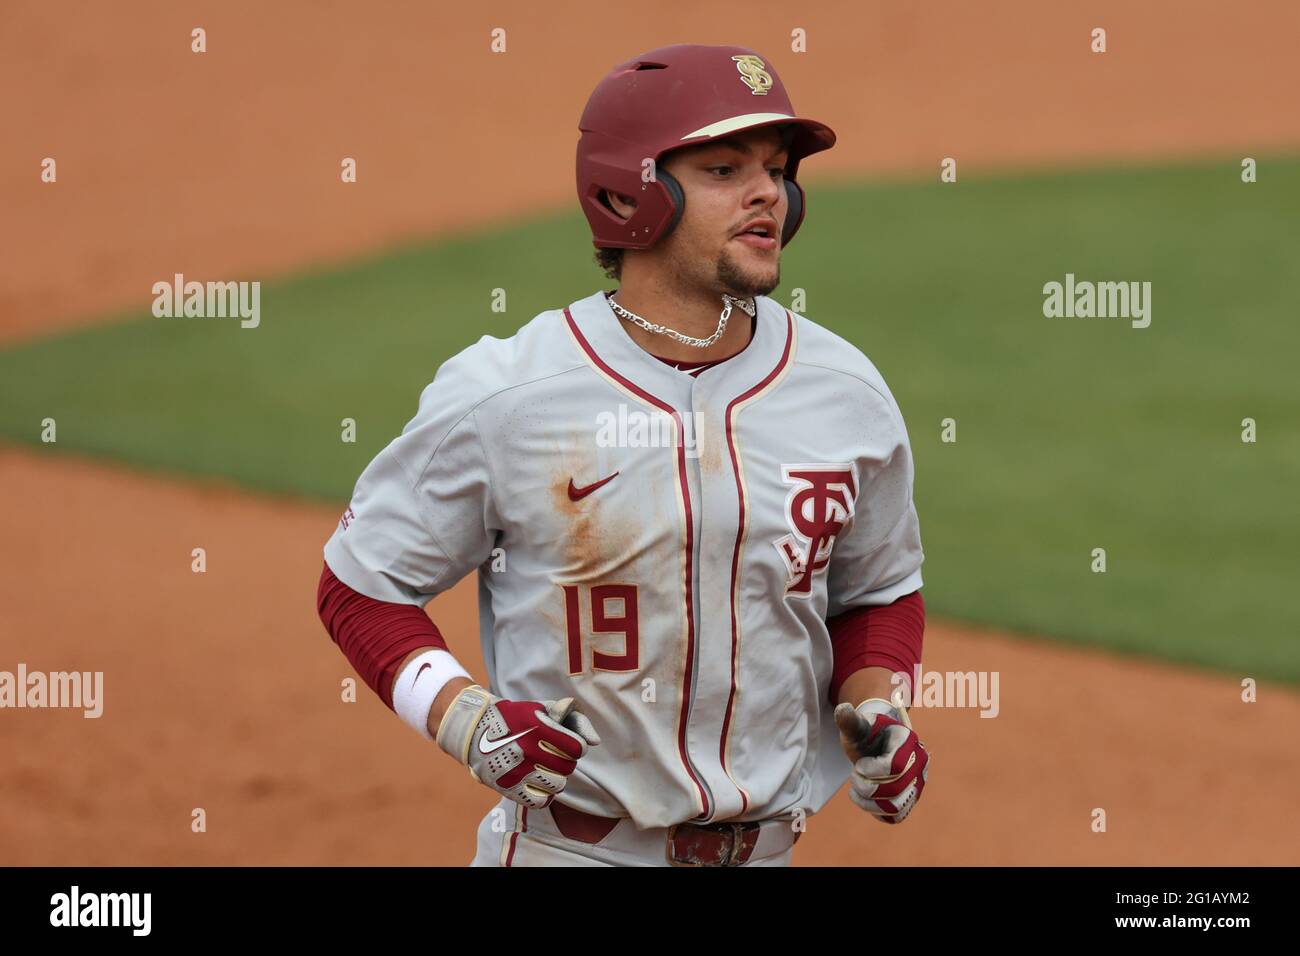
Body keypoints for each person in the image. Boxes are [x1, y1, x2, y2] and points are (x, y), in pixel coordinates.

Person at [316, 43, 930, 867]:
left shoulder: (843, 391)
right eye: (723, 169)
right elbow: (360, 584)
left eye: (777, 170)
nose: (768, 195)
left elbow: (880, 590)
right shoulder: (509, 395)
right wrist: (465, 718)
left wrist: (879, 709)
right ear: (627, 192)